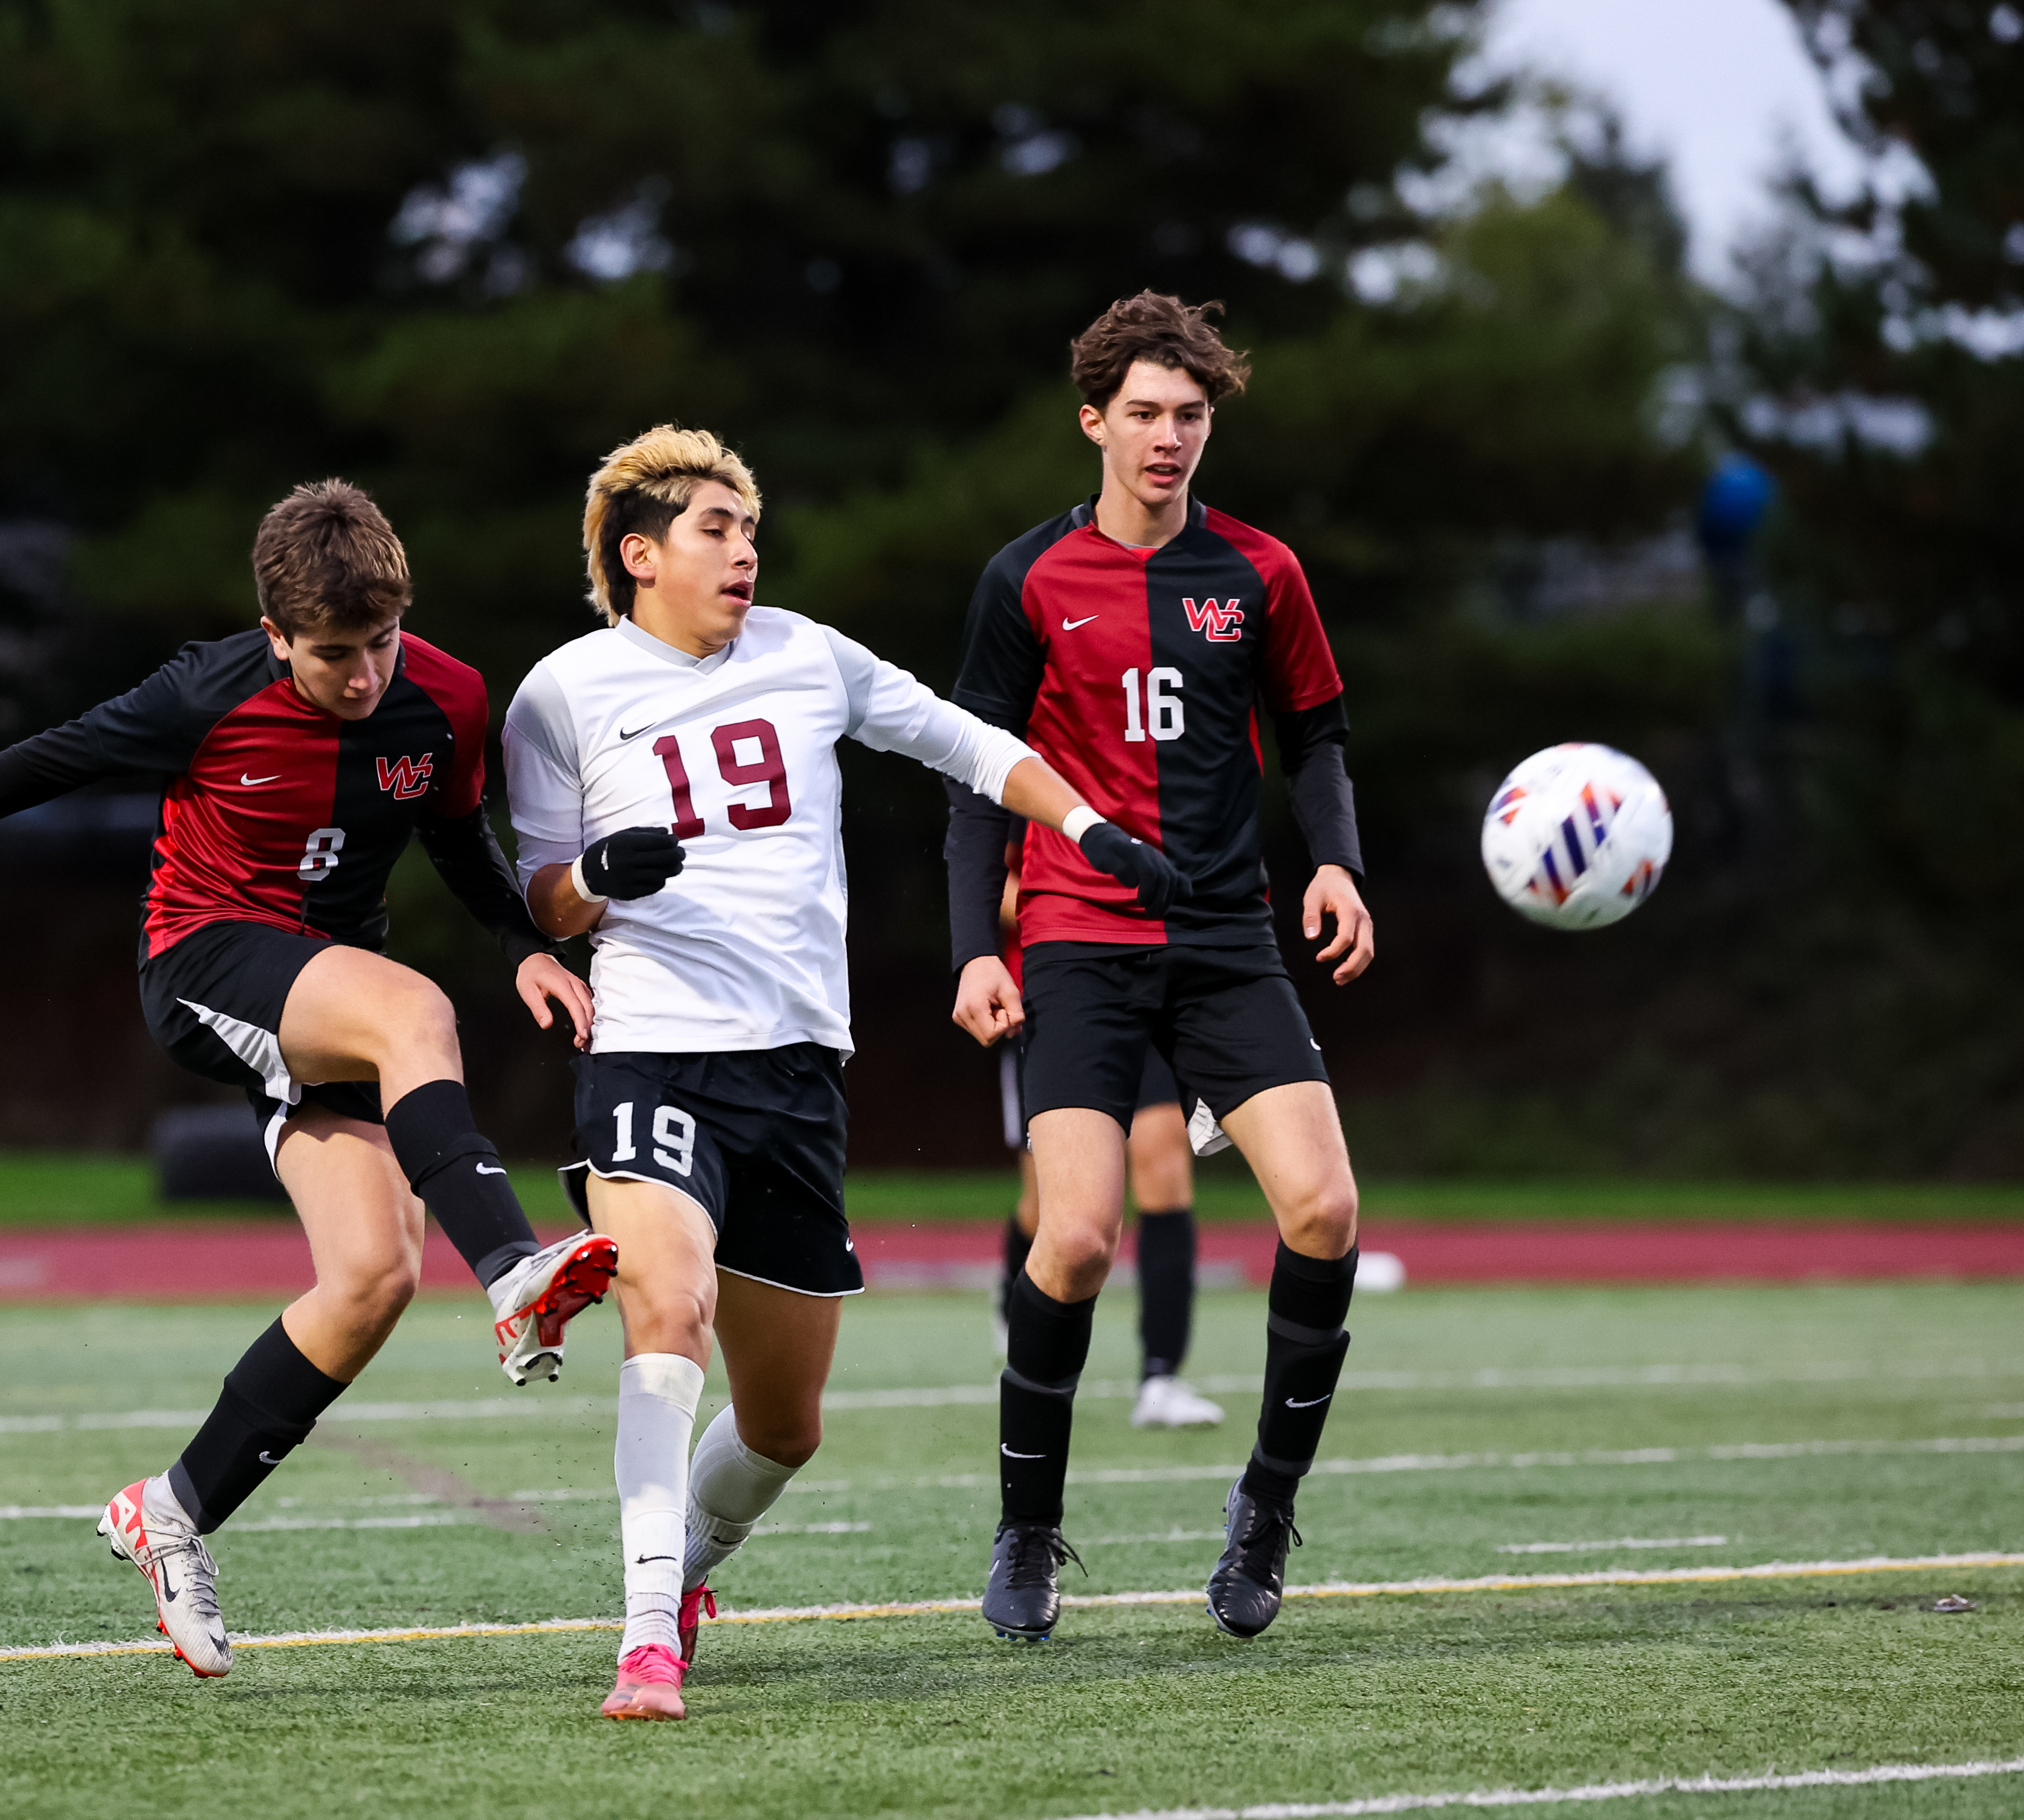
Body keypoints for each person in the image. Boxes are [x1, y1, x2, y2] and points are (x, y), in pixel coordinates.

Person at [0, 481, 618, 1679]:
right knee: (413, 1012)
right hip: (204, 960)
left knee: (374, 1276)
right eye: (331, 655)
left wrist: (526, 947)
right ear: (275, 634)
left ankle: (171, 1510)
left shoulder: (445, 696)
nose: (362, 677)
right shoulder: (205, 692)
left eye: (381, 644)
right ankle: (511, 1271)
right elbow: (51, 757)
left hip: (326, 988)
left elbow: (457, 838)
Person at [502, 425, 1183, 1720]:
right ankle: (645, 1632)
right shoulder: (562, 693)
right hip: (649, 1044)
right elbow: (541, 897)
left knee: (784, 1425)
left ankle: (689, 1569)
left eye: (749, 529)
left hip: (798, 1069)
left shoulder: (808, 655)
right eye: (714, 529)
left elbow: (968, 744)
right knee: (668, 1304)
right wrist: (593, 882)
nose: (744, 549)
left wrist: (1090, 827)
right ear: (638, 555)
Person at [944, 292, 1375, 1644]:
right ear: (1093, 421)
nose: (1168, 437)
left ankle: (1263, 1509)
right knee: (1072, 1236)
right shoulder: (1024, 580)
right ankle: (1025, 1528)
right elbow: (971, 779)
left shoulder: (1262, 572)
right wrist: (971, 946)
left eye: (1189, 415)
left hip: (1228, 939)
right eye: (1142, 413)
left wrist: (1334, 861)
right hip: (1075, 934)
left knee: (1322, 1209)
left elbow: (1315, 737)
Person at [993, 834, 1222, 1429]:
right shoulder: (1032, 759)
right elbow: (988, 887)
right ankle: (1012, 1301)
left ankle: (1161, 1375)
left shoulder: (1170, 761)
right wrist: (1092, 901)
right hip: (1062, 991)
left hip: (1158, 987)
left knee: (1164, 1162)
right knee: (1050, 1206)